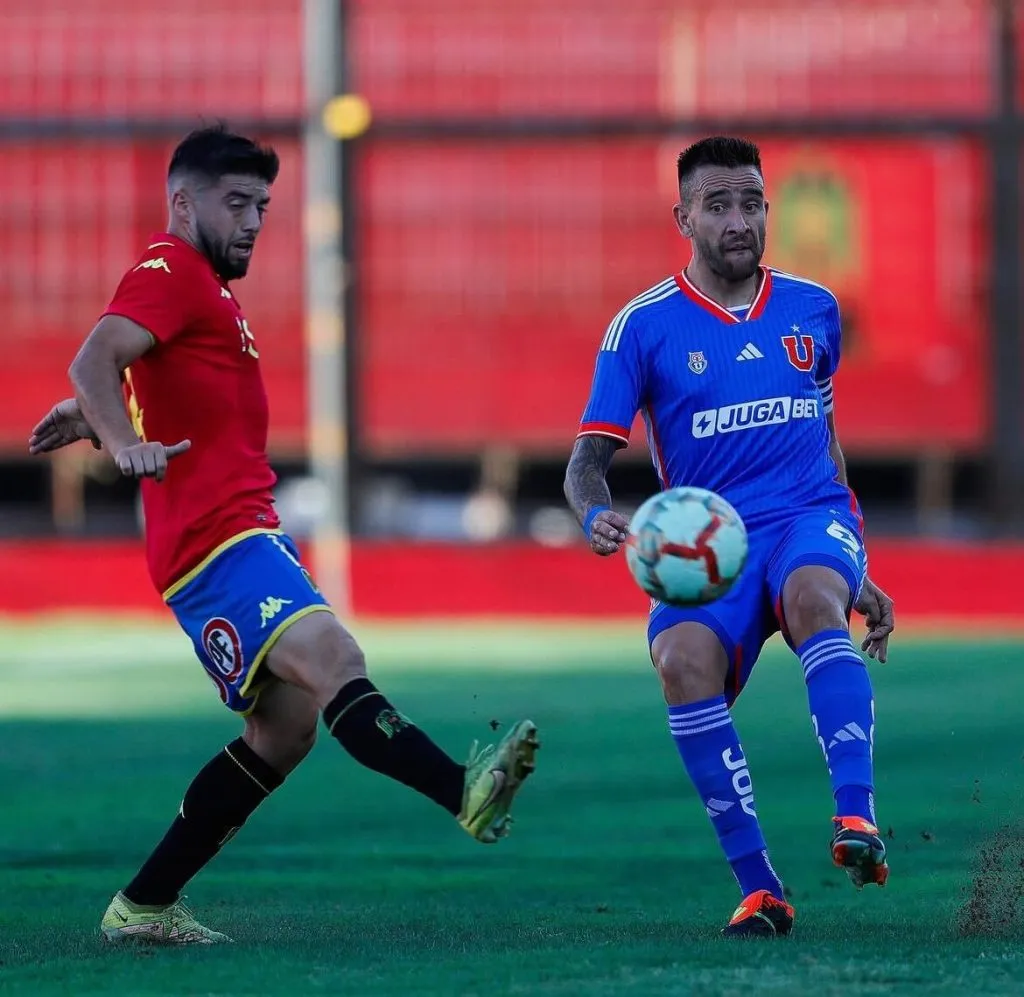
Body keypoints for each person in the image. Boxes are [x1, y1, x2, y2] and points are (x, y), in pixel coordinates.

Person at [29, 125, 539, 945]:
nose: (254, 220)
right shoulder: (171, 269)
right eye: (236, 203)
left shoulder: (205, 291)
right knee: (335, 657)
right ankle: (464, 790)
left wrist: (103, 420)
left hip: (233, 535)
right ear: (183, 202)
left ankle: (144, 905)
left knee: (285, 729)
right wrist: (121, 443)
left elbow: (151, 383)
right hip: (220, 539)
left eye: (262, 205)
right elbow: (94, 356)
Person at [562, 136, 894, 938]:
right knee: (680, 662)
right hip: (713, 542)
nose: (739, 219)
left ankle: (857, 819)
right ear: (683, 217)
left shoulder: (814, 307)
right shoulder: (641, 327)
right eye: (718, 204)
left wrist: (861, 563)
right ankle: (761, 891)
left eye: (752, 202)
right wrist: (594, 512)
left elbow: (827, 432)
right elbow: (584, 463)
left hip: (810, 513)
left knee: (818, 597)